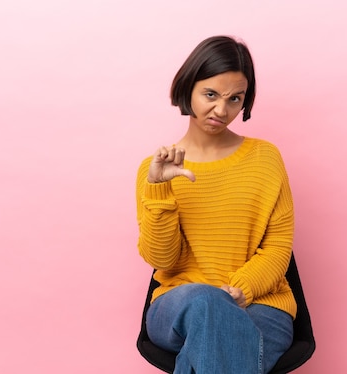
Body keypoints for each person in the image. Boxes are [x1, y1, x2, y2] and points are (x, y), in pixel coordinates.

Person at [136, 35, 296, 374]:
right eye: (210, 94)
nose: (222, 111)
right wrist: (160, 191)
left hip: (262, 305)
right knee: (207, 305)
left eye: (234, 99)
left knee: (215, 337)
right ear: (188, 88)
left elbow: (279, 246)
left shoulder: (265, 158)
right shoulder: (155, 170)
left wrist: (243, 287)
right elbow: (160, 259)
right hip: (178, 305)